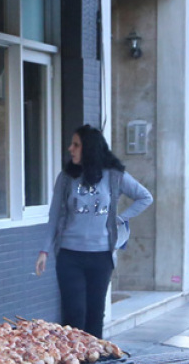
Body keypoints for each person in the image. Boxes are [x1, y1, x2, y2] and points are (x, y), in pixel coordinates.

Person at [35, 124, 153, 338]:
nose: (70, 149)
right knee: (74, 315)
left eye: (76, 145)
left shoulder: (114, 176)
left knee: (94, 315)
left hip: (101, 257)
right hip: (69, 256)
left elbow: (145, 197)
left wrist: (119, 218)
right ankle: (73, 363)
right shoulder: (66, 178)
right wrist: (44, 251)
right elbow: (54, 216)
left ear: (89, 148)